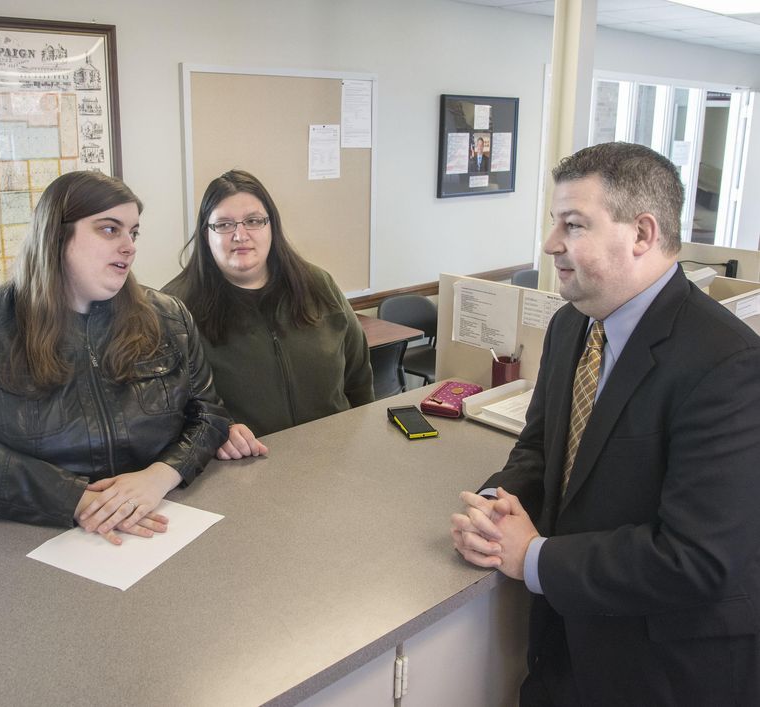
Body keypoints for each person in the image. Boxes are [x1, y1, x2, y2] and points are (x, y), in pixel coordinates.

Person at [451, 142, 760, 705]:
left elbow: (696, 559)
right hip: (563, 646)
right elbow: (542, 445)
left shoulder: (729, 363)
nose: (550, 245)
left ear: (641, 234)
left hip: (661, 667)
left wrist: (533, 557)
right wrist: (498, 503)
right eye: (554, 223)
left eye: (573, 225)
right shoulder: (573, 323)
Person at [0, 171, 230, 545]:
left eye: (133, 232)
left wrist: (160, 475)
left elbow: (209, 414)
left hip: (155, 519)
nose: (129, 246)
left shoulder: (168, 317)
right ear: (56, 234)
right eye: (109, 229)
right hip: (33, 536)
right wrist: (78, 499)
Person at [163, 169, 374, 459]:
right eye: (224, 224)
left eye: (253, 221)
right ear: (205, 235)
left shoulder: (318, 285)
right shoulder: (174, 309)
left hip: (335, 459)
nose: (240, 235)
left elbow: (359, 378)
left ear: (271, 226)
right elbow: (165, 412)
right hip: (243, 472)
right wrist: (216, 431)